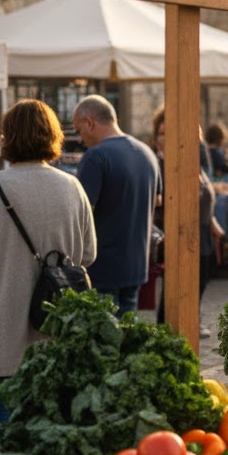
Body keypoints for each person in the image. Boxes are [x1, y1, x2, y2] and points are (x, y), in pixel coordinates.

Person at [0, 100, 96, 422]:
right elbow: (88, 255)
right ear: (53, 136)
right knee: (52, 421)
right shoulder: (73, 186)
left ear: (8, 138)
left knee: (6, 420)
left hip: (4, 323)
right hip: (57, 322)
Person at [72, 94, 160, 316]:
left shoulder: (96, 157)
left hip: (102, 267)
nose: (80, 138)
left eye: (78, 130)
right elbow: (157, 200)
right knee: (126, 334)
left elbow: (82, 213)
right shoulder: (147, 153)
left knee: (103, 341)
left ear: (89, 122)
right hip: (137, 263)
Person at [152, 108, 219, 334]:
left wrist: (214, 224)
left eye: (169, 133)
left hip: (204, 237)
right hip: (179, 237)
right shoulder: (160, 166)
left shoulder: (192, 163)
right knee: (173, 294)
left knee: (199, 285)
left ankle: (190, 321)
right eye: (161, 134)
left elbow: (203, 196)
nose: (164, 139)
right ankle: (170, 334)